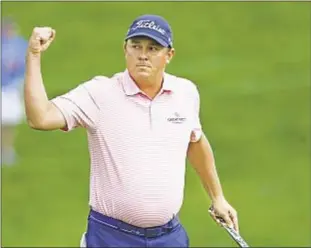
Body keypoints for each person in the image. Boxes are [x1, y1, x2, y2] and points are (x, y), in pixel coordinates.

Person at [24, 14, 239, 247]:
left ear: (169, 55)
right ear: (125, 49)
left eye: (153, 48)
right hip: (111, 236)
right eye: (136, 46)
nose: (143, 55)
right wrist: (34, 55)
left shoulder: (185, 93)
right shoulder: (99, 94)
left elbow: (194, 141)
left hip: (169, 237)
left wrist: (217, 197)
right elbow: (41, 117)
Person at [1, 17, 28, 166]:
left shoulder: (20, 44)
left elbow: (25, 65)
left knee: (9, 121)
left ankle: (7, 151)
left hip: (12, 87)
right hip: (3, 86)